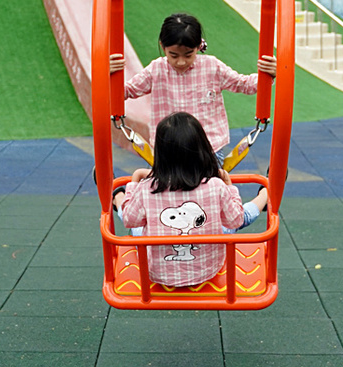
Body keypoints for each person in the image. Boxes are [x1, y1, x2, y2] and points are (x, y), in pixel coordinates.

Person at [110, 12, 273, 228]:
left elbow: (244, 84)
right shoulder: (156, 70)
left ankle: (118, 198)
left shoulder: (212, 67)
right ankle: (263, 197)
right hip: (169, 150)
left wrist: (268, 75)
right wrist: (108, 74)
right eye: (173, 54)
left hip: (208, 150)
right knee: (166, 207)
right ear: (162, 46)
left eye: (188, 54)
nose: (181, 61)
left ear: (198, 47)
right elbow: (125, 91)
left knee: (208, 210)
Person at [117, 112, 246, 288]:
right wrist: (229, 185)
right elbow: (236, 220)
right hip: (208, 269)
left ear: (160, 154)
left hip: (156, 271)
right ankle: (264, 196)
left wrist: (134, 182)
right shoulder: (216, 186)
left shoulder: (147, 188)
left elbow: (129, 220)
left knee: (138, 229)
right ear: (203, 148)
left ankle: (117, 197)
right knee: (225, 227)